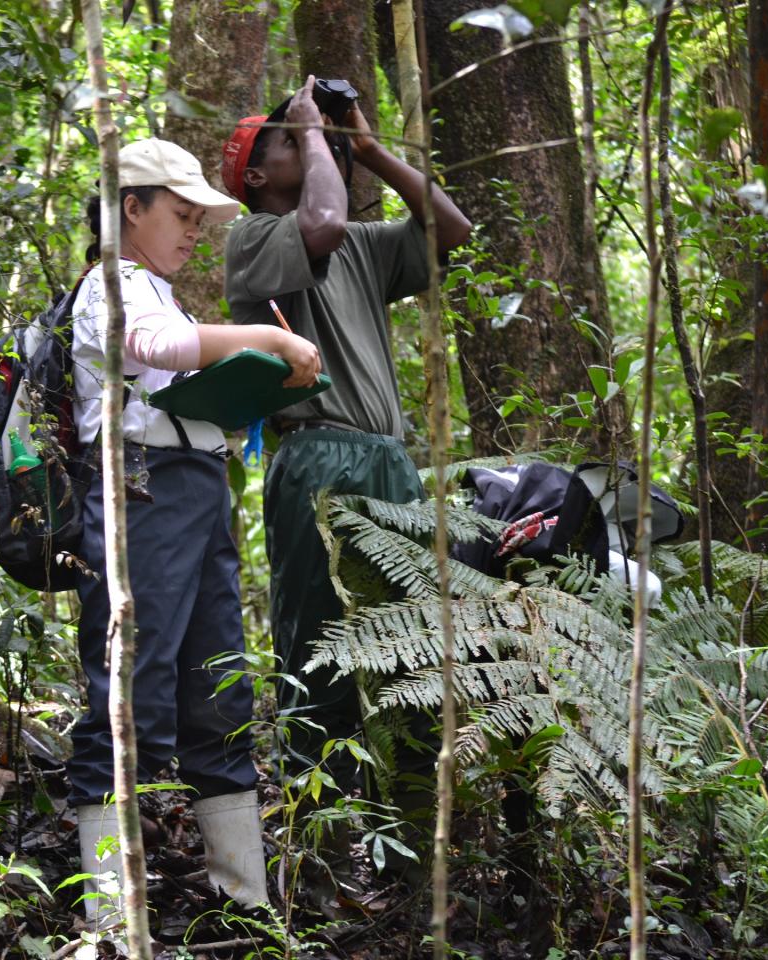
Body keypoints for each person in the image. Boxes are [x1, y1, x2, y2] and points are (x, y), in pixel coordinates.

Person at [66, 138, 321, 931]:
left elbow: (177, 357)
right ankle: (112, 919)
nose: (192, 233)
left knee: (220, 687)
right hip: (140, 489)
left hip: (196, 488)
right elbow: (157, 349)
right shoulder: (113, 285)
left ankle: (245, 903)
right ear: (129, 208)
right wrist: (267, 341)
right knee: (130, 690)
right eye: (181, 215)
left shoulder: (158, 289)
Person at [220, 78, 472, 797]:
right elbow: (321, 224)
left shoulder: (361, 247)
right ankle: (320, 824)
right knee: (317, 643)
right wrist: (308, 125)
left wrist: (370, 148)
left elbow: (450, 231)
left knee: (414, 639)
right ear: (259, 176)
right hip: (315, 452)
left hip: (388, 457)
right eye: (286, 139)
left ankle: (419, 815)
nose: (308, 138)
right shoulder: (255, 239)